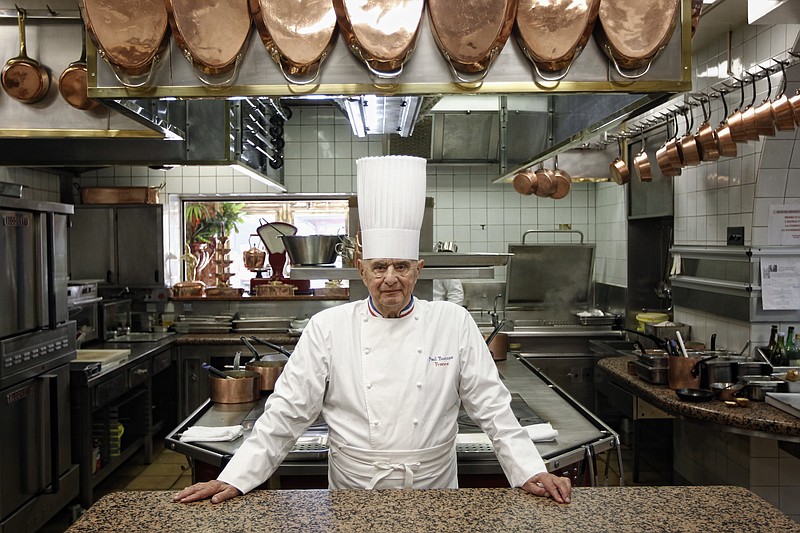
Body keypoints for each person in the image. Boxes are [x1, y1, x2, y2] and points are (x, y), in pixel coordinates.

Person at [174, 155, 572, 505]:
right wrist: (235, 477)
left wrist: (529, 471)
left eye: (402, 266)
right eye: (379, 267)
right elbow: (287, 413)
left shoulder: (453, 323)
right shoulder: (328, 327)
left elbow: (493, 408)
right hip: (354, 492)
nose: (390, 279)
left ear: (419, 269)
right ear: (362, 270)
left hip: (435, 492)